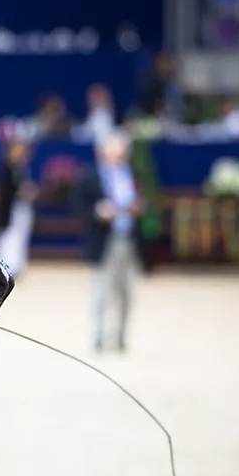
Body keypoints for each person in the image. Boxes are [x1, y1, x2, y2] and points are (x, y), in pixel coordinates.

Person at [73, 131, 144, 352]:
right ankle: (99, 337)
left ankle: (121, 336)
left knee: (126, 292)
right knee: (101, 290)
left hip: (128, 239)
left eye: (121, 150)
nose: (118, 153)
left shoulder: (131, 174)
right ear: (102, 152)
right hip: (104, 239)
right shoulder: (90, 175)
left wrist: (139, 207)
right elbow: (76, 205)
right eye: (113, 149)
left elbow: (142, 201)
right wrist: (97, 211)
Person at [0, 140, 36, 277]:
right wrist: (20, 191)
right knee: (8, 236)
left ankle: (17, 265)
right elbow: (5, 189)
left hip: (22, 208)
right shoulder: (7, 167)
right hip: (9, 209)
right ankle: (5, 265)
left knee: (21, 237)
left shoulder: (22, 167)